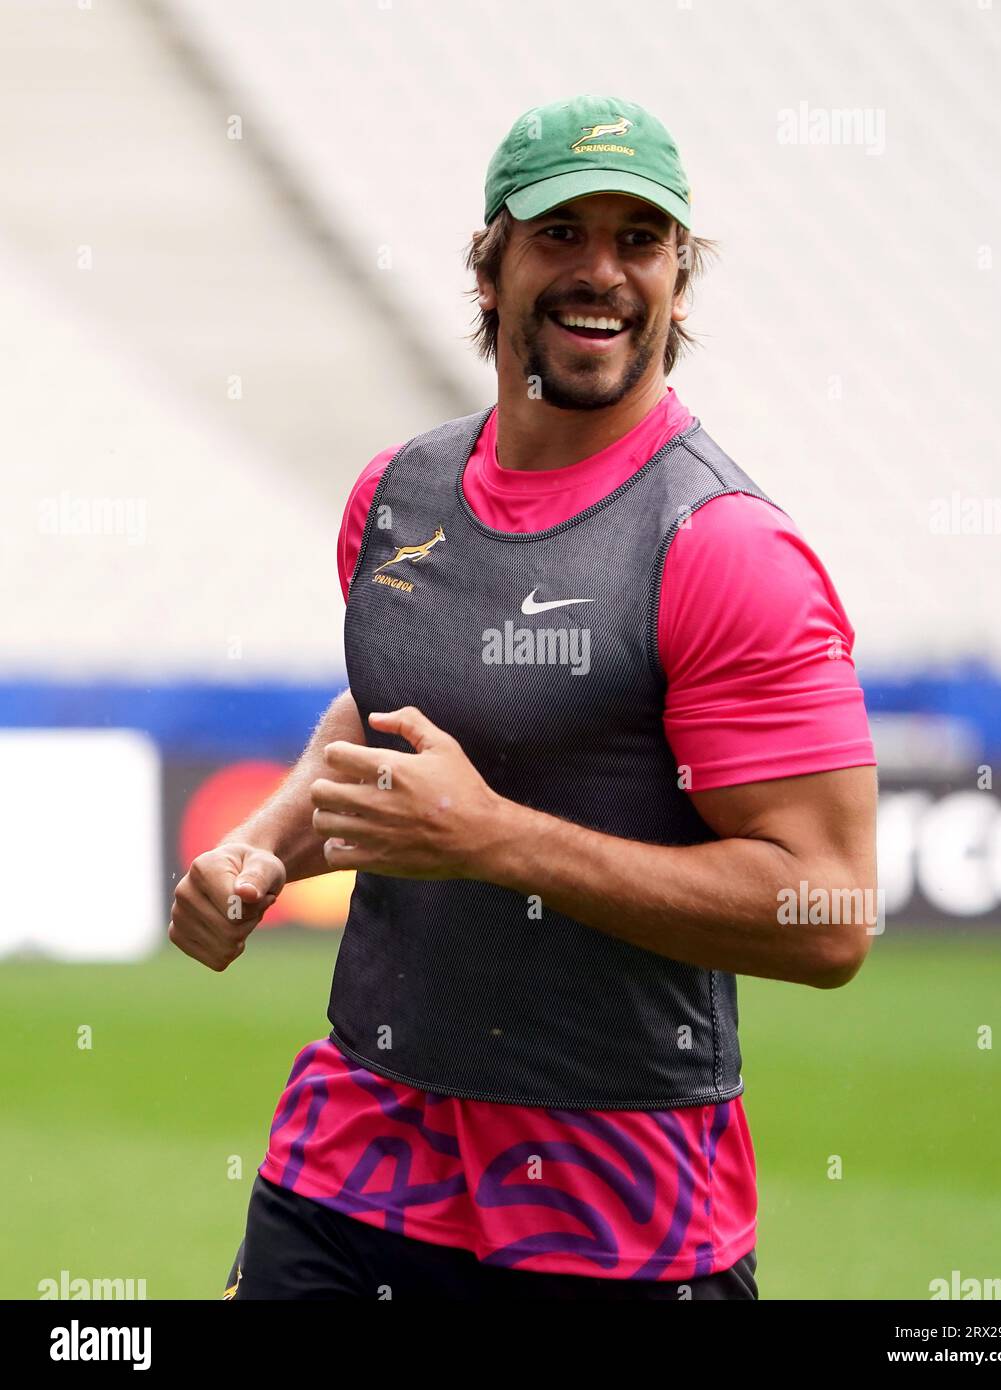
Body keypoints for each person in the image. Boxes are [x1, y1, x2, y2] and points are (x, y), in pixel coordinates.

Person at [171, 93, 878, 1301]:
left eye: (639, 240)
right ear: (489, 267)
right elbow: (383, 707)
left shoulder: (723, 549)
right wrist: (259, 848)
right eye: (560, 235)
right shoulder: (396, 495)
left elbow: (827, 914)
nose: (599, 272)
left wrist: (493, 840)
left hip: (617, 1199)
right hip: (362, 1150)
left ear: (677, 279)